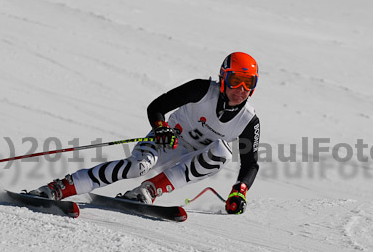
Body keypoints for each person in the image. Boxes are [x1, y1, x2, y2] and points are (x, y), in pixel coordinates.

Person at [29, 51, 261, 215]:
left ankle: (149, 190)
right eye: (235, 81)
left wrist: (239, 191)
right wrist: (161, 127)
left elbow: (251, 163)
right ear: (223, 78)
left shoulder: (248, 120)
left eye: (247, 83)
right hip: (168, 141)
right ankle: (58, 188)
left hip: (191, 160)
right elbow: (157, 106)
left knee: (224, 153)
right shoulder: (201, 89)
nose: (241, 90)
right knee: (135, 167)